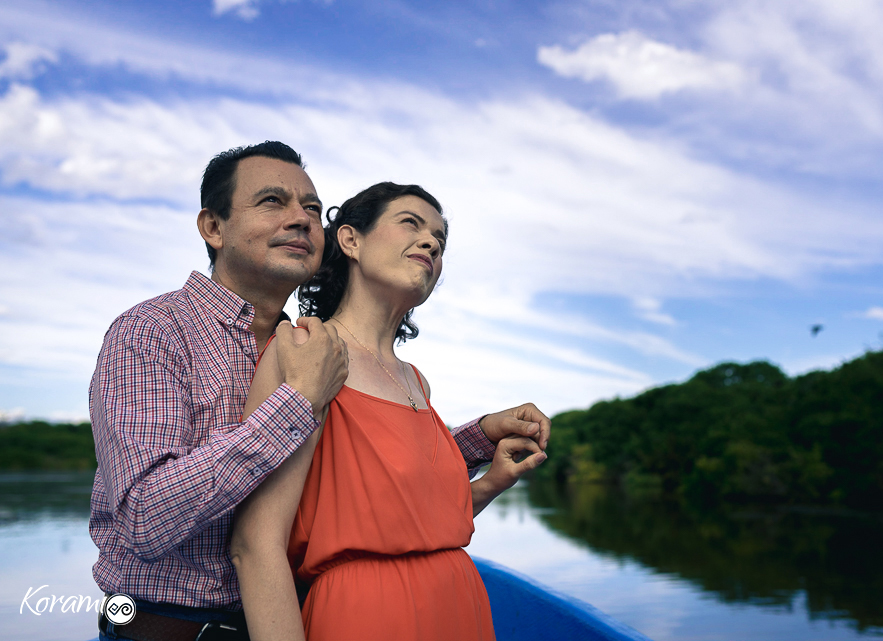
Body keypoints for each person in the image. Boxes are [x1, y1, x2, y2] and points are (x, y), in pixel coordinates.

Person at [89, 142, 551, 641]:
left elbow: (358, 480)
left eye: (311, 208)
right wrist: (300, 403)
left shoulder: (313, 346)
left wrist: (479, 439)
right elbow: (143, 516)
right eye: (272, 202)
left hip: (293, 615)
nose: (302, 220)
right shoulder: (153, 331)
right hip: (171, 629)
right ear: (213, 227)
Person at [230, 182, 548, 641]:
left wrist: (491, 483)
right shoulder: (304, 351)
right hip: (366, 617)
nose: (431, 243)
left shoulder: (417, 380)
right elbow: (256, 546)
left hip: (460, 608)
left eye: (439, 239)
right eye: (410, 224)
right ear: (351, 240)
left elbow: (405, 528)